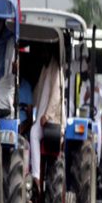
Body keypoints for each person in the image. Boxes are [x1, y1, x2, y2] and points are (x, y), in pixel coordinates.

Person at [30, 54, 64, 182]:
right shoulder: (45, 68)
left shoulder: (56, 69)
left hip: (51, 119)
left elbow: (56, 95)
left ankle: (36, 176)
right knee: (32, 132)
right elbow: (38, 93)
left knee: (34, 133)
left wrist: (48, 115)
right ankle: (34, 175)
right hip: (41, 117)